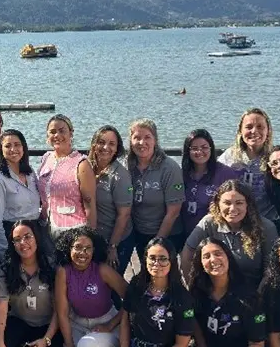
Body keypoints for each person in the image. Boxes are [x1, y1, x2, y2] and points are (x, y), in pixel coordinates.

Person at [97, 238, 194, 347]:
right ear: (145, 260)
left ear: (172, 261)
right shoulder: (136, 285)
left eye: (163, 258)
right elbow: (125, 322)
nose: (157, 263)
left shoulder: (182, 297)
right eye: (152, 258)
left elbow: (181, 345)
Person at [54, 226, 127, 347]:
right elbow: (62, 314)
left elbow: (132, 299)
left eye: (88, 248)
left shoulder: (102, 270)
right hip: (77, 323)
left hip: (106, 322)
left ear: (94, 250)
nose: (82, 253)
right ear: (69, 248)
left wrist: (111, 324)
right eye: (77, 247)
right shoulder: (63, 272)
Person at [0, 220, 63, 347]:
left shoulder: (52, 266)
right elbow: (2, 307)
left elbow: (60, 309)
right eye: (17, 239)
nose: (23, 243)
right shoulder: (6, 269)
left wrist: (46, 340)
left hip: (48, 325)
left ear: (37, 238)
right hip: (19, 321)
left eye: (27, 237)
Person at [181, 180, 278, 288]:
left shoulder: (266, 227)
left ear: (248, 204)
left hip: (253, 290)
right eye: (227, 203)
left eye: (239, 203)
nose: (232, 209)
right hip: (215, 290)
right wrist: (192, 289)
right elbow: (187, 254)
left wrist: (260, 297)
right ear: (218, 203)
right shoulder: (209, 223)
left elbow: (271, 269)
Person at [127, 119, 185, 258]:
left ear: (155, 140)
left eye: (147, 137)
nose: (142, 143)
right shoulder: (126, 165)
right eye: (137, 138)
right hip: (139, 231)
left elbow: (173, 212)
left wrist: (157, 243)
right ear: (130, 141)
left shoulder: (170, 168)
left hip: (168, 233)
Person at [0, 129, 44, 261]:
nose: (13, 149)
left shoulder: (30, 174)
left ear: (23, 147)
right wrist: (5, 255)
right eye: (8, 146)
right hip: (13, 236)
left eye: (17, 144)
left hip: (36, 234)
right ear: (1, 150)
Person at [37, 114, 97, 240]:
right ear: (47, 136)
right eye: (52, 132)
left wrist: (90, 238)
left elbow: (90, 204)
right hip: (45, 228)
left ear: (71, 133)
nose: (57, 135)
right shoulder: (46, 158)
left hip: (72, 230)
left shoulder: (81, 164)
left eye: (62, 131)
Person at [87, 125, 134, 276]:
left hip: (117, 240)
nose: (105, 147)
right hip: (93, 238)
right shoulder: (86, 168)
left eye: (111, 144)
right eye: (101, 142)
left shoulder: (120, 176)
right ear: (94, 144)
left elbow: (124, 215)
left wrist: (113, 247)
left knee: (111, 285)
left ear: (117, 149)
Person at [218, 108, 278, 222]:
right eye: (249, 127)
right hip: (234, 219)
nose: (254, 131)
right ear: (240, 131)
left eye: (260, 127)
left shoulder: (274, 158)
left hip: (266, 220)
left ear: (268, 131)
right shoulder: (228, 157)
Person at [180, 129, 239, 241]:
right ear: (188, 151)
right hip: (186, 233)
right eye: (194, 148)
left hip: (215, 234)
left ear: (211, 149)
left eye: (204, 147)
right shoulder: (182, 174)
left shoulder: (225, 174)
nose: (200, 151)